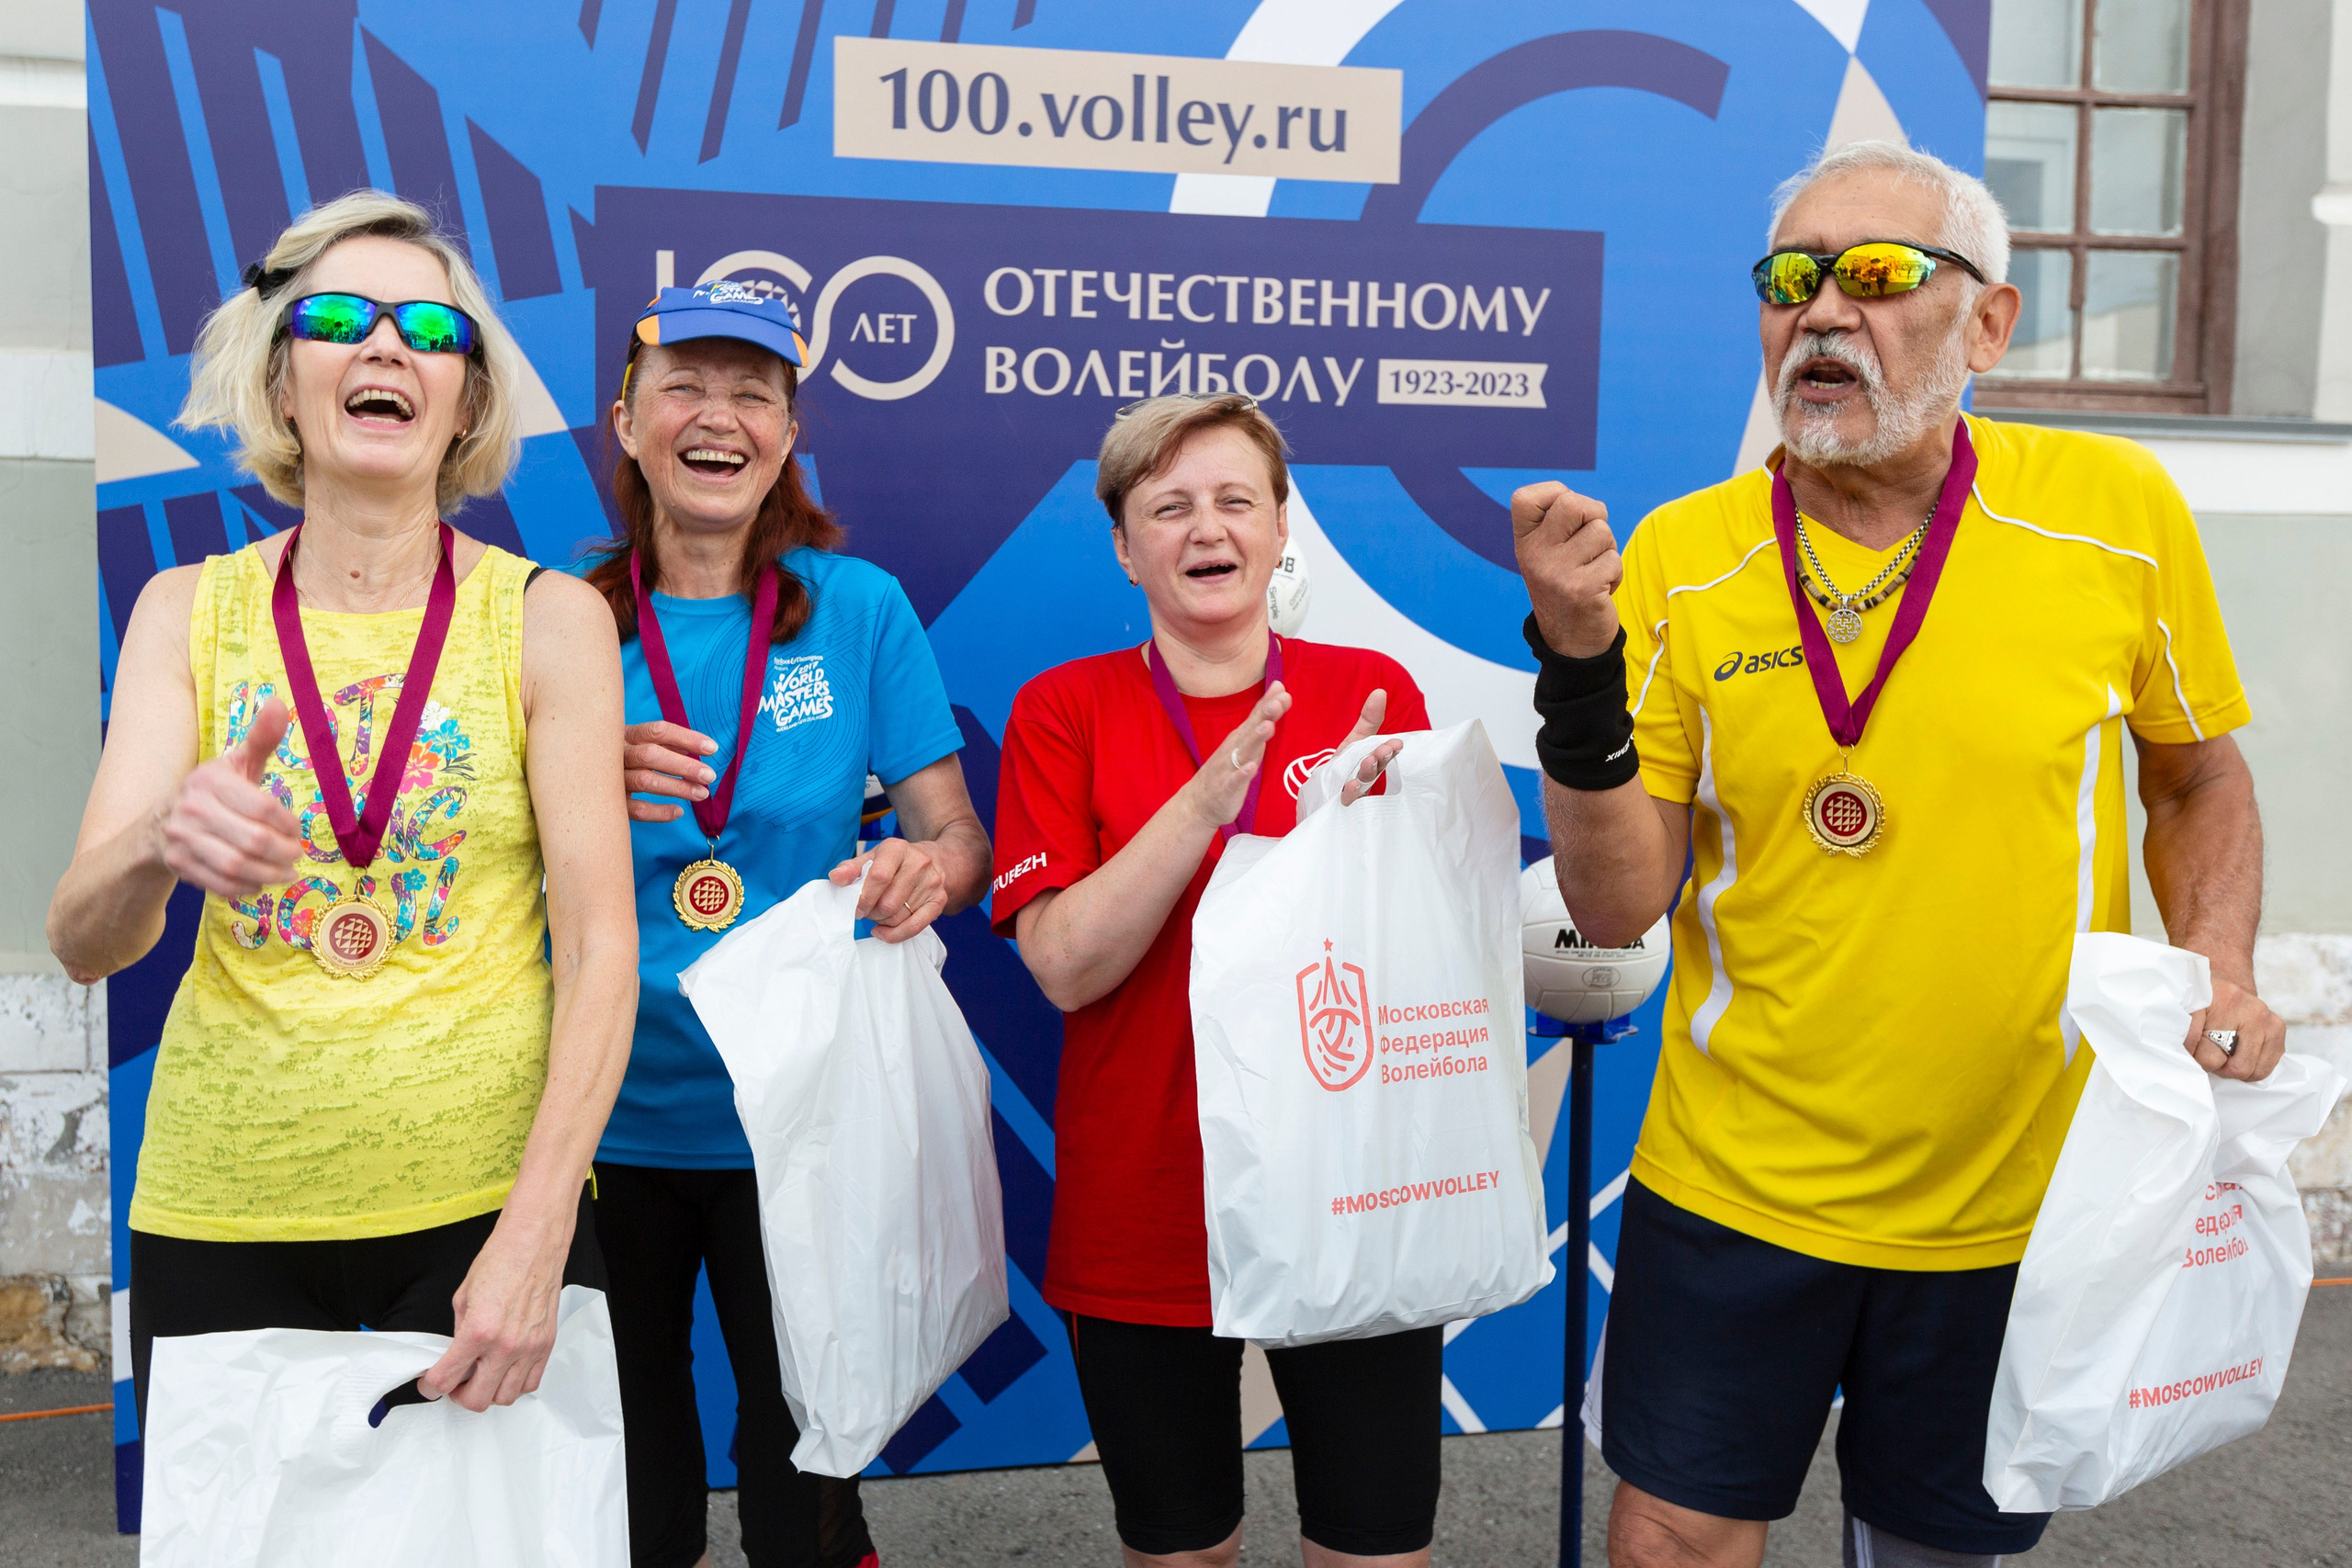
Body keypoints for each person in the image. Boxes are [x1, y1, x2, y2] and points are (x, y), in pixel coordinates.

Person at [1512, 141, 2282, 1568]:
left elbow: (2197, 779)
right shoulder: (1684, 557)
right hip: (1735, 1177)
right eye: (1791, 279)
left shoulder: (2115, 519)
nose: (1821, 312)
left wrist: (2219, 959)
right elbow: (1620, 902)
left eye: (1874, 274)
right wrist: (1577, 668)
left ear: (1988, 323)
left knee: (1936, 1548)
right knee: (1669, 1537)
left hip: (2016, 1189)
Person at [47, 191, 637, 1427]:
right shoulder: (182, 611)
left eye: (429, 326)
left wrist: (538, 1230)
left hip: (482, 1205)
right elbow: (86, 940)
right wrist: (160, 842)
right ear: (280, 381)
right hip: (227, 1205)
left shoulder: (548, 618)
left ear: (468, 399)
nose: (384, 345)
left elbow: (598, 947)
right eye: (337, 317)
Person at [990, 393, 1438, 1568]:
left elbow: (1425, 953)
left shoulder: (1370, 696)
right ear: (1124, 544)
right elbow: (1065, 967)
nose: (1208, 527)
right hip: (1141, 1205)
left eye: (1237, 499)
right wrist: (1205, 804)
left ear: (1282, 526)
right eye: (1169, 505)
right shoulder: (1062, 709)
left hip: (1347, 1199)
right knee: (1182, 1553)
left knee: (1374, 1551)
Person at [587, 283, 991, 1568]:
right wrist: (582, 777)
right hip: (603, 1117)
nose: (720, 417)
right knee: (628, 1471)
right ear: (631, 422)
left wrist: (924, 873)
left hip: (794, 1118)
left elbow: (958, 837)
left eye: (754, 393)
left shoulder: (858, 607)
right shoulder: (560, 618)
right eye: (688, 388)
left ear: (787, 432)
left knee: (801, 1458)